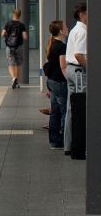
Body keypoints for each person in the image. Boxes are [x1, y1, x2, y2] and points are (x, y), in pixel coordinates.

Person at [63, 2, 88, 153]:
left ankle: (69, 145)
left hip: (71, 70)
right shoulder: (83, 31)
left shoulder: (74, 29)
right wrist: (89, 68)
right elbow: (79, 54)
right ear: (82, 14)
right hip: (79, 72)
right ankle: (79, 145)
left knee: (71, 108)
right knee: (80, 107)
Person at [43, 20, 68, 150]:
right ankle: (65, 140)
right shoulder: (61, 46)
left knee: (54, 112)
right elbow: (63, 66)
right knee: (64, 112)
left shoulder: (51, 45)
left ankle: (54, 141)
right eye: (65, 27)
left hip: (51, 81)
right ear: (60, 31)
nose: (67, 28)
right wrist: (70, 80)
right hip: (59, 82)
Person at [1, 8, 28, 89]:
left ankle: (13, 78)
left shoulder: (8, 24)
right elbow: (25, 37)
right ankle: (17, 82)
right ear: (20, 15)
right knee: (18, 64)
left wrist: (7, 37)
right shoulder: (22, 25)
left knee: (11, 63)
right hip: (18, 46)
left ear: (13, 14)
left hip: (9, 47)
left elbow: (2, 34)